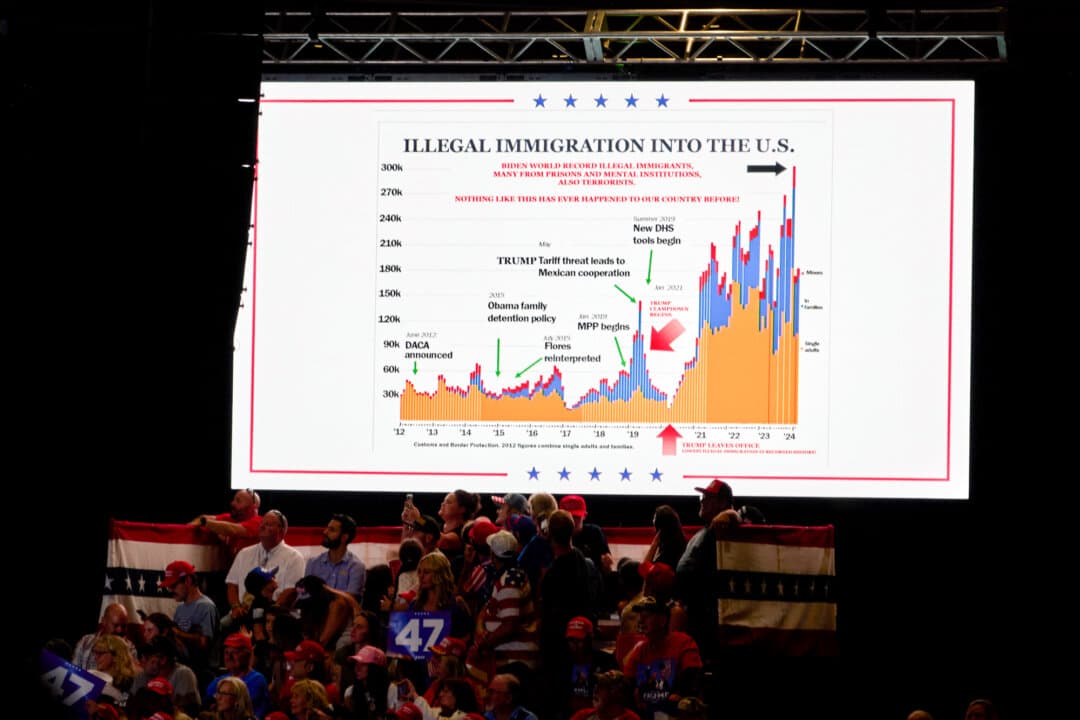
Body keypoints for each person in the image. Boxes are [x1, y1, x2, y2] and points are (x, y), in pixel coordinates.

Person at [674, 479, 763, 662]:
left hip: (712, 617)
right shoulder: (703, 532)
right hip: (694, 614)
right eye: (702, 497)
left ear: (723, 502)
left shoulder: (727, 526)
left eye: (707, 497)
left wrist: (731, 513)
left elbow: (748, 523)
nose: (702, 501)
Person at [539, 510, 602, 694]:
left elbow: (548, 612)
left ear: (549, 534)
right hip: (581, 642)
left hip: (559, 647)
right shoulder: (584, 562)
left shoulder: (553, 574)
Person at [470, 531, 539, 686]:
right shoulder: (510, 575)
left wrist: (483, 644)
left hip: (515, 661)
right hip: (509, 658)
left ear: (493, 556)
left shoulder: (510, 582)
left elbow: (509, 625)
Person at [621, 597, 701, 720]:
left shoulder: (683, 642)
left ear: (663, 621)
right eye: (640, 616)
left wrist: (681, 695)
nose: (641, 620)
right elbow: (626, 683)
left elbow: (693, 679)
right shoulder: (641, 649)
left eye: (647, 616)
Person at [225, 510, 306, 625]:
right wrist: (235, 607)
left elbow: (291, 592)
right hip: (242, 613)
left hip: (274, 618)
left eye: (268, 524)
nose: (262, 527)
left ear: (281, 530)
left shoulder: (294, 557)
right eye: (262, 523)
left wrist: (270, 614)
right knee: (221, 626)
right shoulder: (244, 553)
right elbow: (231, 584)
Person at [159, 559, 219, 680]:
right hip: (183, 669)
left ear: (188, 581)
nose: (170, 590)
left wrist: (178, 633)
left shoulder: (206, 607)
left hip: (203, 673)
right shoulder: (180, 608)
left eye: (173, 586)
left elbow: (204, 643)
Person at [553, 617, 618, 720]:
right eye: (571, 640)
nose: (575, 644)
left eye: (579, 640)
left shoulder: (606, 662)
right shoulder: (562, 664)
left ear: (590, 638)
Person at [131, 636, 202, 716]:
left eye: (147, 657)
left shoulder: (183, 674)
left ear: (163, 660)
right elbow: (132, 708)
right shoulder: (142, 676)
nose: (142, 659)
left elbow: (188, 712)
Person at [305, 513, 366, 604]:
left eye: (332, 530)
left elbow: (350, 601)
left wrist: (322, 588)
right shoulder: (313, 563)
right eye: (327, 528)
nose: (325, 532)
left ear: (344, 537)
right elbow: (304, 595)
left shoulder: (356, 567)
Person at [207, 633, 271, 720]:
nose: (229, 657)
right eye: (226, 652)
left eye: (234, 652)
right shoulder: (219, 681)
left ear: (248, 655)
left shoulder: (257, 680)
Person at [294, 574, 363, 651]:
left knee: (342, 644)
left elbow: (323, 641)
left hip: (346, 639)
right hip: (329, 639)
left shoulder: (337, 604)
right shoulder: (315, 605)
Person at [190, 488, 263, 559]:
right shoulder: (231, 519)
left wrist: (205, 522)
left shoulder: (259, 522)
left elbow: (233, 530)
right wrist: (188, 529)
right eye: (234, 500)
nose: (232, 503)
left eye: (238, 501)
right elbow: (202, 518)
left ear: (252, 507)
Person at [74, 602, 139, 671]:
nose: (120, 630)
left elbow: (130, 675)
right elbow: (73, 671)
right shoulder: (85, 641)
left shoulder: (130, 649)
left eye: (124, 626)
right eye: (115, 625)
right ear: (103, 621)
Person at [89, 633, 140, 709]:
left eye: (100, 653)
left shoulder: (128, 681)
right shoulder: (94, 675)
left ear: (116, 655)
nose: (96, 657)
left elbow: (123, 705)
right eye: (95, 653)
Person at [568, 670, 640, 720]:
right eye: (596, 686)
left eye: (602, 687)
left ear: (618, 694)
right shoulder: (582, 716)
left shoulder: (632, 719)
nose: (595, 691)